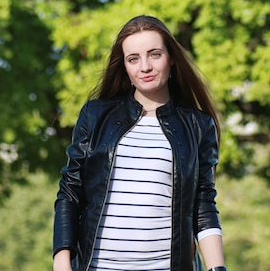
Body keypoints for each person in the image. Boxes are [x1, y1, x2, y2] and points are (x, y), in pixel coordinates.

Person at [52, 15, 227, 271]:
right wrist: (62, 262)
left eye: (154, 54)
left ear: (172, 59)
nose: (144, 66)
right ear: (124, 66)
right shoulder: (95, 115)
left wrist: (218, 269)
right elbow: (70, 192)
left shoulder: (198, 125)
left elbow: (204, 204)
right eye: (133, 58)